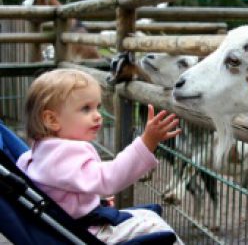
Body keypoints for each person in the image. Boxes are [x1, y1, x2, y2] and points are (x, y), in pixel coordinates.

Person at [16, 68, 183, 244]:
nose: (97, 116)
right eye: (86, 109)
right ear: (52, 120)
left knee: (147, 215)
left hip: (70, 226)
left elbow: (63, 192)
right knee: (156, 227)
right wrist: (146, 143)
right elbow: (107, 178)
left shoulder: (36, 154)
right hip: (88, 232)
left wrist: (92, 201)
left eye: (98, 107)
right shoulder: (63, 156)